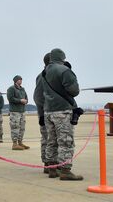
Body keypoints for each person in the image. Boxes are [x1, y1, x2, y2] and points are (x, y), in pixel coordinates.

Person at [42, 48, 83, 180]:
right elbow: (74, 90)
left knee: (51, 141)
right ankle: (65, 170)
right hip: (62, 110)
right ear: (62, 58)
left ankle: (52, 168)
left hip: (48, 111)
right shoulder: (64, 70)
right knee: (66, 141)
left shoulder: (44, 71)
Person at [34, 53, 50, 173]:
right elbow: (38, 97)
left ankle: (50, 164)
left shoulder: (45, 74)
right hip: (46, 114)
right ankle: (48, 163)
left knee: (48, 139)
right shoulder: (43, 76)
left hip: (46, 114)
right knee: (48, 139)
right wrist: (45, 112)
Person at [7, 75, 29, 150]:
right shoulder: (11, 89)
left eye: (21, 79)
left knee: (22, 128)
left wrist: (25, 101)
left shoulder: (22, 89)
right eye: (19, 79)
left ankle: (20, 142)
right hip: (15, 111)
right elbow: (10, 98)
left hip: (22, 111)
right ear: (16, 81)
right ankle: (14, 144)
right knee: (15, 127)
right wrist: (20, 100)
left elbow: (26, 97)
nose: (21, 81)